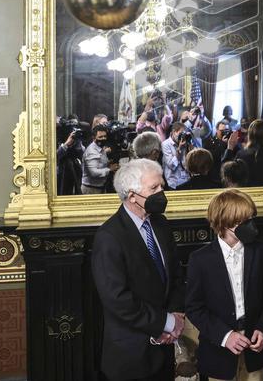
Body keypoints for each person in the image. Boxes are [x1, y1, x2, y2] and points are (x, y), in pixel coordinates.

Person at [92, 159, 185, 381]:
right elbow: (117, 299)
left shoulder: (161, 224)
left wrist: (176, 315)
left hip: (165, 348)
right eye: (154, 188)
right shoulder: (109, 237)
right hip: (131, 355)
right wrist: (165, 323)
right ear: (132, 195)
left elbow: (176, 275)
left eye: (162, 186)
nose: (162, 193)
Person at [186, 189, 263, 381]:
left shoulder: (261, 251)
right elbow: (194, 308)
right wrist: (226, 336)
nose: (252, 225)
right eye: (245, 220)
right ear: (226, 222)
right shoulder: (200, 260)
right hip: (218, 353)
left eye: (252, 219)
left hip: (255, 350)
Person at [224, 120, 263, 187]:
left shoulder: (241, 154)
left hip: (247, 191)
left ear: (250, 135)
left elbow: (228, 173)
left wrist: (230, 147)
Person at [82, 125, 114, 194]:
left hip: (99, 187)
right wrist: (109, 169)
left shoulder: (100, 147)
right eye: (100, 137)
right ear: (94, 138)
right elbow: (93, 173)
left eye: (105, 136)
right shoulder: (92, 151)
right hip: (91, 189)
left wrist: (108, 163)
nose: (103, 138)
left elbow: (98, 162)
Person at [161, 122, 193, 189]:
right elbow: (172, 165)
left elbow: (191, 162)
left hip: (187, 180)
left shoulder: (185, 143)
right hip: (173, 183)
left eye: (183, 134)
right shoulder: (165, 144)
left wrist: (190, 146)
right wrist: (179, 149)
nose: (182, 136)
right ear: (174, 132)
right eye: (181, 133)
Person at [57, 125, 84, 196]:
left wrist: (78, 141)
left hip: (76, 170)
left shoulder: (78, 144)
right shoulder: (59, 140)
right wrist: (66, 144)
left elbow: (82, 153)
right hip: (63, 174)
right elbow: (55, 157)